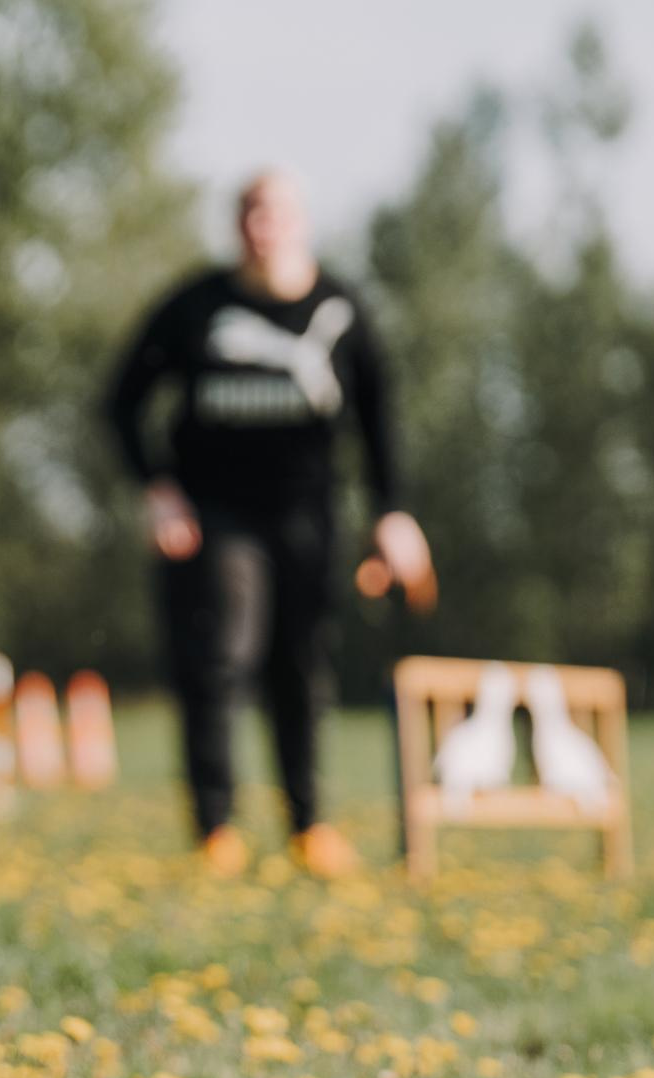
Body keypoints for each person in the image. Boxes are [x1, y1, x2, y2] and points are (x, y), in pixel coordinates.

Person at [104, 168, 434, 878]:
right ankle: (216, 830)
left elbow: (380, 420)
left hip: (308, 515)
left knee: (303, 665)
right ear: (239, 226)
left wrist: (393, 512)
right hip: (213, 514)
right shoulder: (196, 306)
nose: (265, 226)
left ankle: (311, 827)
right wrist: (158, 490)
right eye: (253, 213)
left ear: (301, 222)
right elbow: (122, 398)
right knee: (221, 659)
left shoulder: (341, 307)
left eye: (277, 213)